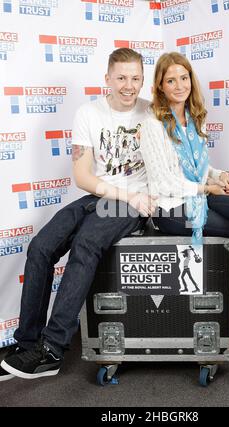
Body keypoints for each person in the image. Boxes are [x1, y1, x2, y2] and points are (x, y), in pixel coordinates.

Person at [0, 48, 157, 381]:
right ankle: (27, 342)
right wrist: (122, 192)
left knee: (86, 244)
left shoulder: (152, 113)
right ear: (107, 80)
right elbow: (84, 177)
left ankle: (53, 349)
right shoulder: (89, 113)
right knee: (41, 247)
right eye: (122, 78)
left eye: (136, 78)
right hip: (101, 194)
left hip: (133, 204)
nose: (129, 86)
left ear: (143, 80)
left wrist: (140, 196)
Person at [139, 52, 229, 363]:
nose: (179, 85)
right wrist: (207, 188)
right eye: (171, 80)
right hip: (171, 209)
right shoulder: (152, 125)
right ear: (160, 86)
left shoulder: (191, 119)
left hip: (196, 194)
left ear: (192, 80)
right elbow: (164, 182)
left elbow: (198, 167)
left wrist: (220, 176)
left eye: (184, 78)